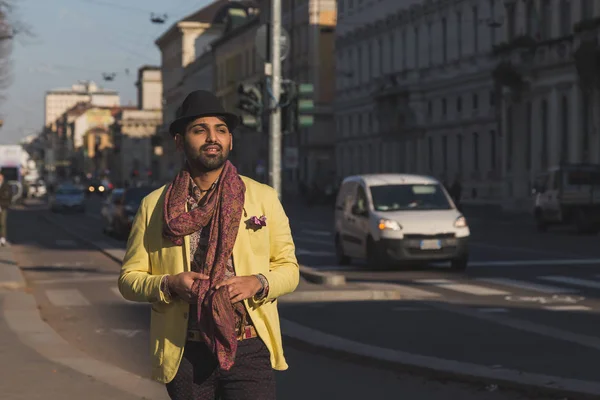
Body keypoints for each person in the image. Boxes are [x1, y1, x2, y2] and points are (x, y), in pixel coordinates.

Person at [118, 90, 299, 400]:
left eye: (221, 130)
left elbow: (289, 269)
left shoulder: (262, 197)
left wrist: (258, 282)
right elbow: (128, 279)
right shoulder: (154, 206)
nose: (212, 138)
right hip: (185, 350)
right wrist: (169, 283)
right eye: (199, 130)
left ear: (230, 141)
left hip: (249, 345)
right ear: (179, 141)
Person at [0, 173, 12, 246]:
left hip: (3, 207)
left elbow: (8, 196)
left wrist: (2, 205)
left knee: (2, 223)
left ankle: (3, 238)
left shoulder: (6, 185)